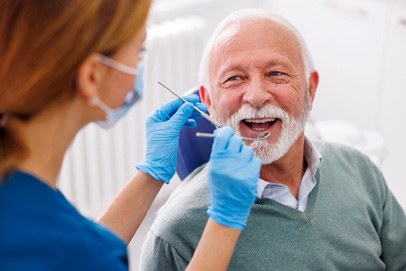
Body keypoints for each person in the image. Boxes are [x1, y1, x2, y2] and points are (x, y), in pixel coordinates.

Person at [0, 1, 262, 270]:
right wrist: (225, 220)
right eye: (139, 52)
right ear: (91, 76)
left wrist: (152, 173)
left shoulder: (27, 203)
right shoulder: (77, 249)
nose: (256, 96)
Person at [139, 8, 406, 271]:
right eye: (234, 78)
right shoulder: (175, 236)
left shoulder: (362, 172)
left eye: (275, 74)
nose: (256, 97)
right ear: (208, 102)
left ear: (310, 89)